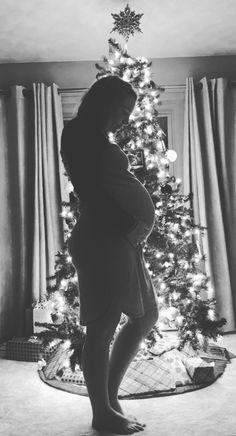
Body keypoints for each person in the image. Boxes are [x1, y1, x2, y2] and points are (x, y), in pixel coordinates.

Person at [60, 75, 159, 435]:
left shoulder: (97, 138)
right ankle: (102, 412)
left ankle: (109, 401)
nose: (126, 119)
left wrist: (134, 227)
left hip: (119, 241)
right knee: (101, 328)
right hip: (102, 240)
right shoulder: (77, 133)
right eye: (122, 110)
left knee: (146, 315)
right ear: (103, 102)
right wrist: (130, 222)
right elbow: (92, 192)